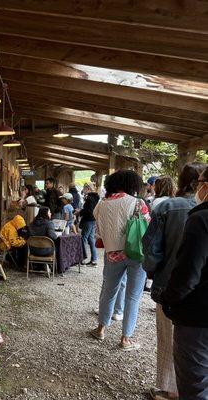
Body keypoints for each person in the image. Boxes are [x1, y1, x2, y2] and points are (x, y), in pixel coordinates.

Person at [143, 163, 206, 400]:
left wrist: (153, 276)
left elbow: (151, 250)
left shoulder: (170, 207)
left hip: (173, 286)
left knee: (172, 342)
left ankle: (170, 390)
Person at [161, 166, 208, 400]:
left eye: (200, 183)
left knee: (195, 385)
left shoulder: (201, 219)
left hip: (197, 316)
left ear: (206, 187)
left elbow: (188, 274)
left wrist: (169, 301)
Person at [90, 170, 149, 351]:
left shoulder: (101, 204)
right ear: (133, 184)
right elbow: (148, 226)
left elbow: (99, 231)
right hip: (136, 254)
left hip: (112, 254)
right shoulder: (138, 203)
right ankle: (125, 339)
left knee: (109, 290)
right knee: (133, 296)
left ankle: (101, 329)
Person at [79, 189, 99, 266]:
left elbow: (89, 211)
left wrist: (80, 212)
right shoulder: (95, 197)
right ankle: (94, 260)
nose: (83, 190)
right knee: (91, 240)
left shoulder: (90, 198)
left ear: (88, 189)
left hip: (88, 220)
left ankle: (83, 258)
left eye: (84, 188)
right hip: (93, 220)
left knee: (84, 238)